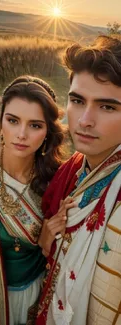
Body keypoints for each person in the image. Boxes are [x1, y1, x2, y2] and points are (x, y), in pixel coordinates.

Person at [0, 75, 75, 325]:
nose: (21, 134)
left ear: (48, 131)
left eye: (35, 125)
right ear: (1, 121)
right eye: (13, 121)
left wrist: (46, 242)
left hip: (35, 299)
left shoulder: (58, 180)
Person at [36, 35, 121, 325]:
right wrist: (45, 239)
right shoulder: (71, 169)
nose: (85, 120)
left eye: (107, 107)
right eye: (77, 100)